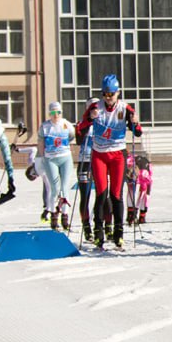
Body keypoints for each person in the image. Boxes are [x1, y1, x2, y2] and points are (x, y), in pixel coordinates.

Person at [76, 76, 141, 249]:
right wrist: (90, 118)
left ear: (117, 93)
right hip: (99, 154)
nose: (108, 97)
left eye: (111, 94)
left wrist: (135, 123)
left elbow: (138, 132)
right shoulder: (95, 107)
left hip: (118, 155)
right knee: (101, 194)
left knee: (116, 195)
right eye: (105, 94)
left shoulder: (125, 108)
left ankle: (119, 233)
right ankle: (98, 233)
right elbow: (81, 129)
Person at [38, 101, 76, 231]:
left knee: (65, 188)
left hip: (65, 157)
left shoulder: (66, 124)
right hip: (50, 159)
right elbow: (41, 143)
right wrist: (42, 157)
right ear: (50, 114)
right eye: (53, 113)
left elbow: (72, 137)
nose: (56, 115)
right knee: (55, 187)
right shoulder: (45, 126)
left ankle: (64, 215)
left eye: (58, 112)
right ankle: (54, 214)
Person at [75, 98, 98, 242]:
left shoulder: (105, 122)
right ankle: (87, 228)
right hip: (85, 160)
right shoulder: (82, 123)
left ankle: (103, 226)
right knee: (85, 196)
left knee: (103, 196)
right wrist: (88, 122)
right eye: (91, 108)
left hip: (100, 160)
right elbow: (78, 139)